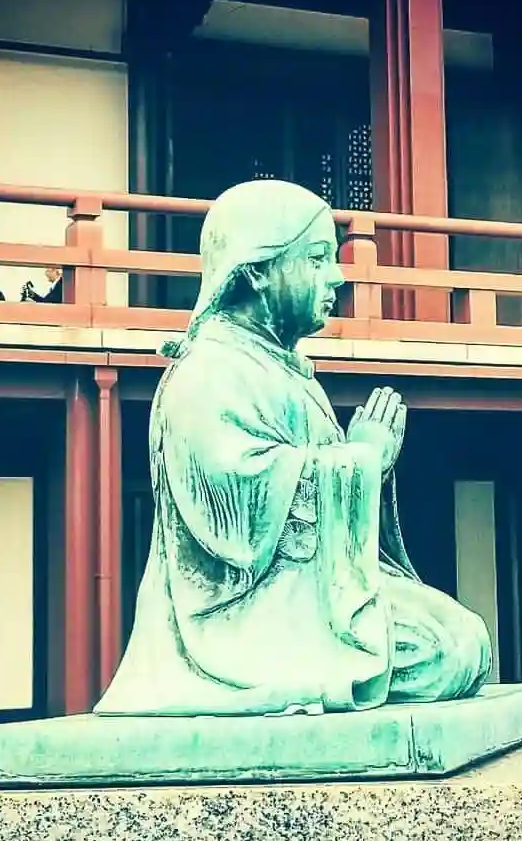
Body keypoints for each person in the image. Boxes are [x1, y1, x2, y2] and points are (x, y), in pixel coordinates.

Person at [94, 179, 492, 718]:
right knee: (443, 651)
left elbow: (320, 515)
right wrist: (360, 459)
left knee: (465, 640)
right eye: (318, 258)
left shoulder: (283, 370)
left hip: (310, 590)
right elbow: (236, 525)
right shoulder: (209, 373)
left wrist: (362, 469)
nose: (337, 277)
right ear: (257, 269)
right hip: (242, 614)